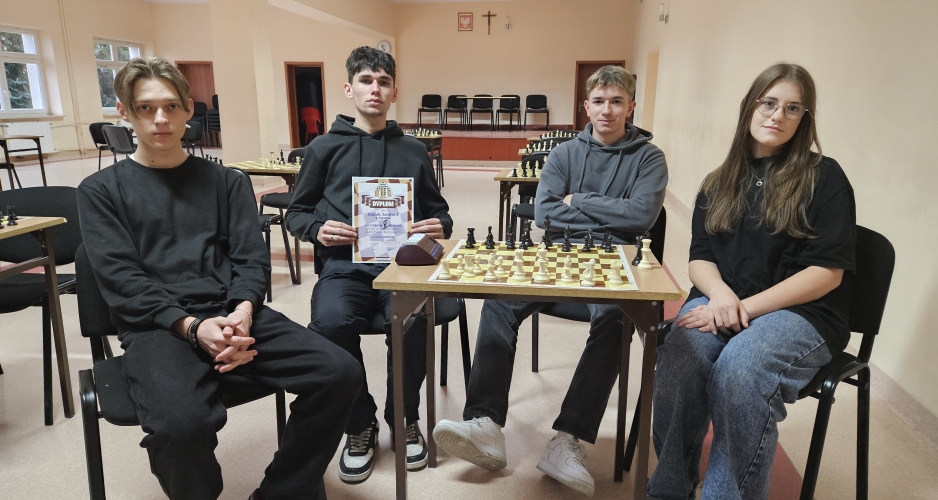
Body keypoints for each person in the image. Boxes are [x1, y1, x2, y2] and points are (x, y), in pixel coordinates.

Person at [77, 57, 363, 500]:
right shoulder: (99, 191)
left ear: (189, 109)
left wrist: (243, 312)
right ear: (124, 112)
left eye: (171, 106)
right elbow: (122, 281)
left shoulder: (226, 181)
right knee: (181, 426)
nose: (160, 119)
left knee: (339, 372)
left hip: (233, 312)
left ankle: (281, 493)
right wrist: (193, 329)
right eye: (146, 108)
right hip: (158, 326)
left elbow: (251, 259)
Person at [433, 65, 668, 497]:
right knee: (499, 300)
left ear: (631, 106)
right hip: (555, 254)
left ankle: (569, 438)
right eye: (599, 101)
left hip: (612, 258)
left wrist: (578, 200)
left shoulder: (649, 158)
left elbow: (640, 217)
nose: (607, 110)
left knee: (615, 318)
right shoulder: (563, 154)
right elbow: (544, 213)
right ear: (586, 106)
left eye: (617, 102)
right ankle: (486, 424)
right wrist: (607, 210)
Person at [646, 63, 856, 500]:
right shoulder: (718, 181)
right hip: (721, 299)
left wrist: (740, 308)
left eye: (792, 108)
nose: (777, 115)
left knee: (740, 370)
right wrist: (722, 295)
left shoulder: (825, 177)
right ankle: (669, 490)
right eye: (769, 103)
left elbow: (826, 273)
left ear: (804, 118)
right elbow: (700, 258)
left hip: (802, 313)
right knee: (681, 356)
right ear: (749, 106)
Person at [285, 47, 453, 484]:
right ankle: (359, 423)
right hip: (345, 267)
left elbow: (440, 212)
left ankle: (404, 417)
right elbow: (296, 213)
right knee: (329, 323)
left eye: (383, 82)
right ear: (349, 88)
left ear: (394, 92)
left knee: (414, 322)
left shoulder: (414, 150)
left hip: (404, 267)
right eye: (365, 80)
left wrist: (440, 224)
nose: (374, 89)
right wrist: (318, 229)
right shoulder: (323, 148)